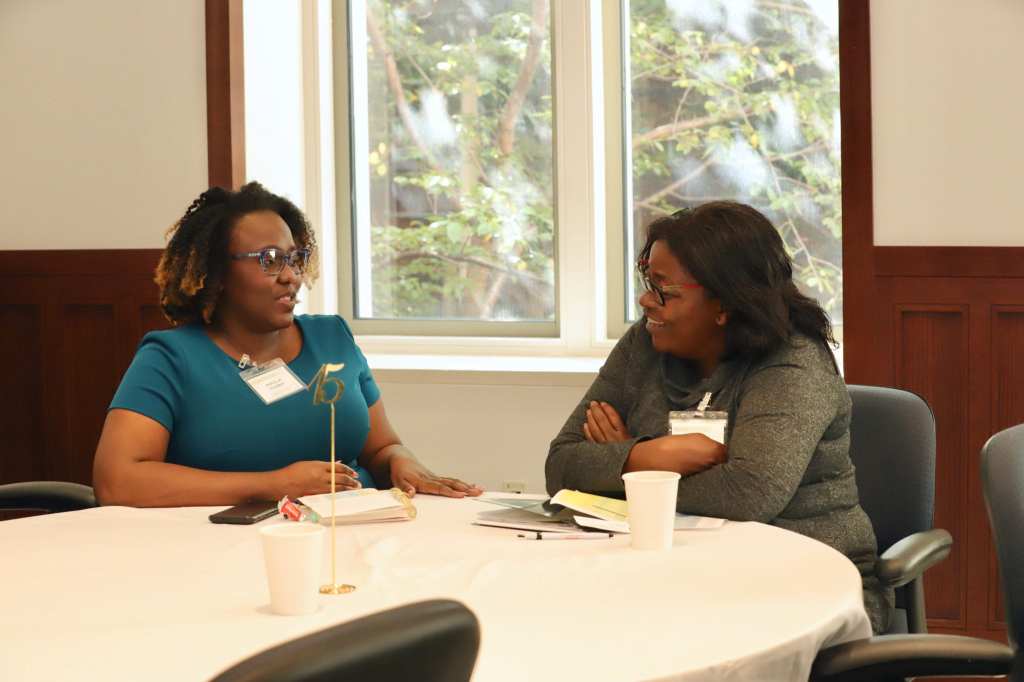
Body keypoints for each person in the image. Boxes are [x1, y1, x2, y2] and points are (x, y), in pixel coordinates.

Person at [545, 201, 891, 633]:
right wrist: (650, 456)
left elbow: (749, 492)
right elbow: (561, 466)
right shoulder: (644, 343)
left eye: (664, 291)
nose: (645, 301)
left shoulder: (793, 360)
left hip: (806, 579)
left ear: (725, 304)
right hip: (679, 575)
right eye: (647, 281)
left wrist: (614, 470)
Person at [94, 182, 482, 507]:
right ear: (217, 272)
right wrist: (271, 485)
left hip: (355, 535)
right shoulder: (171, 358)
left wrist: (402, 461)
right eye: (269, 260)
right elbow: (117, 482)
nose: (291, 276)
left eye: (296, 258)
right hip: (223, 549)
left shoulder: (333, 338)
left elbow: (380, 449)